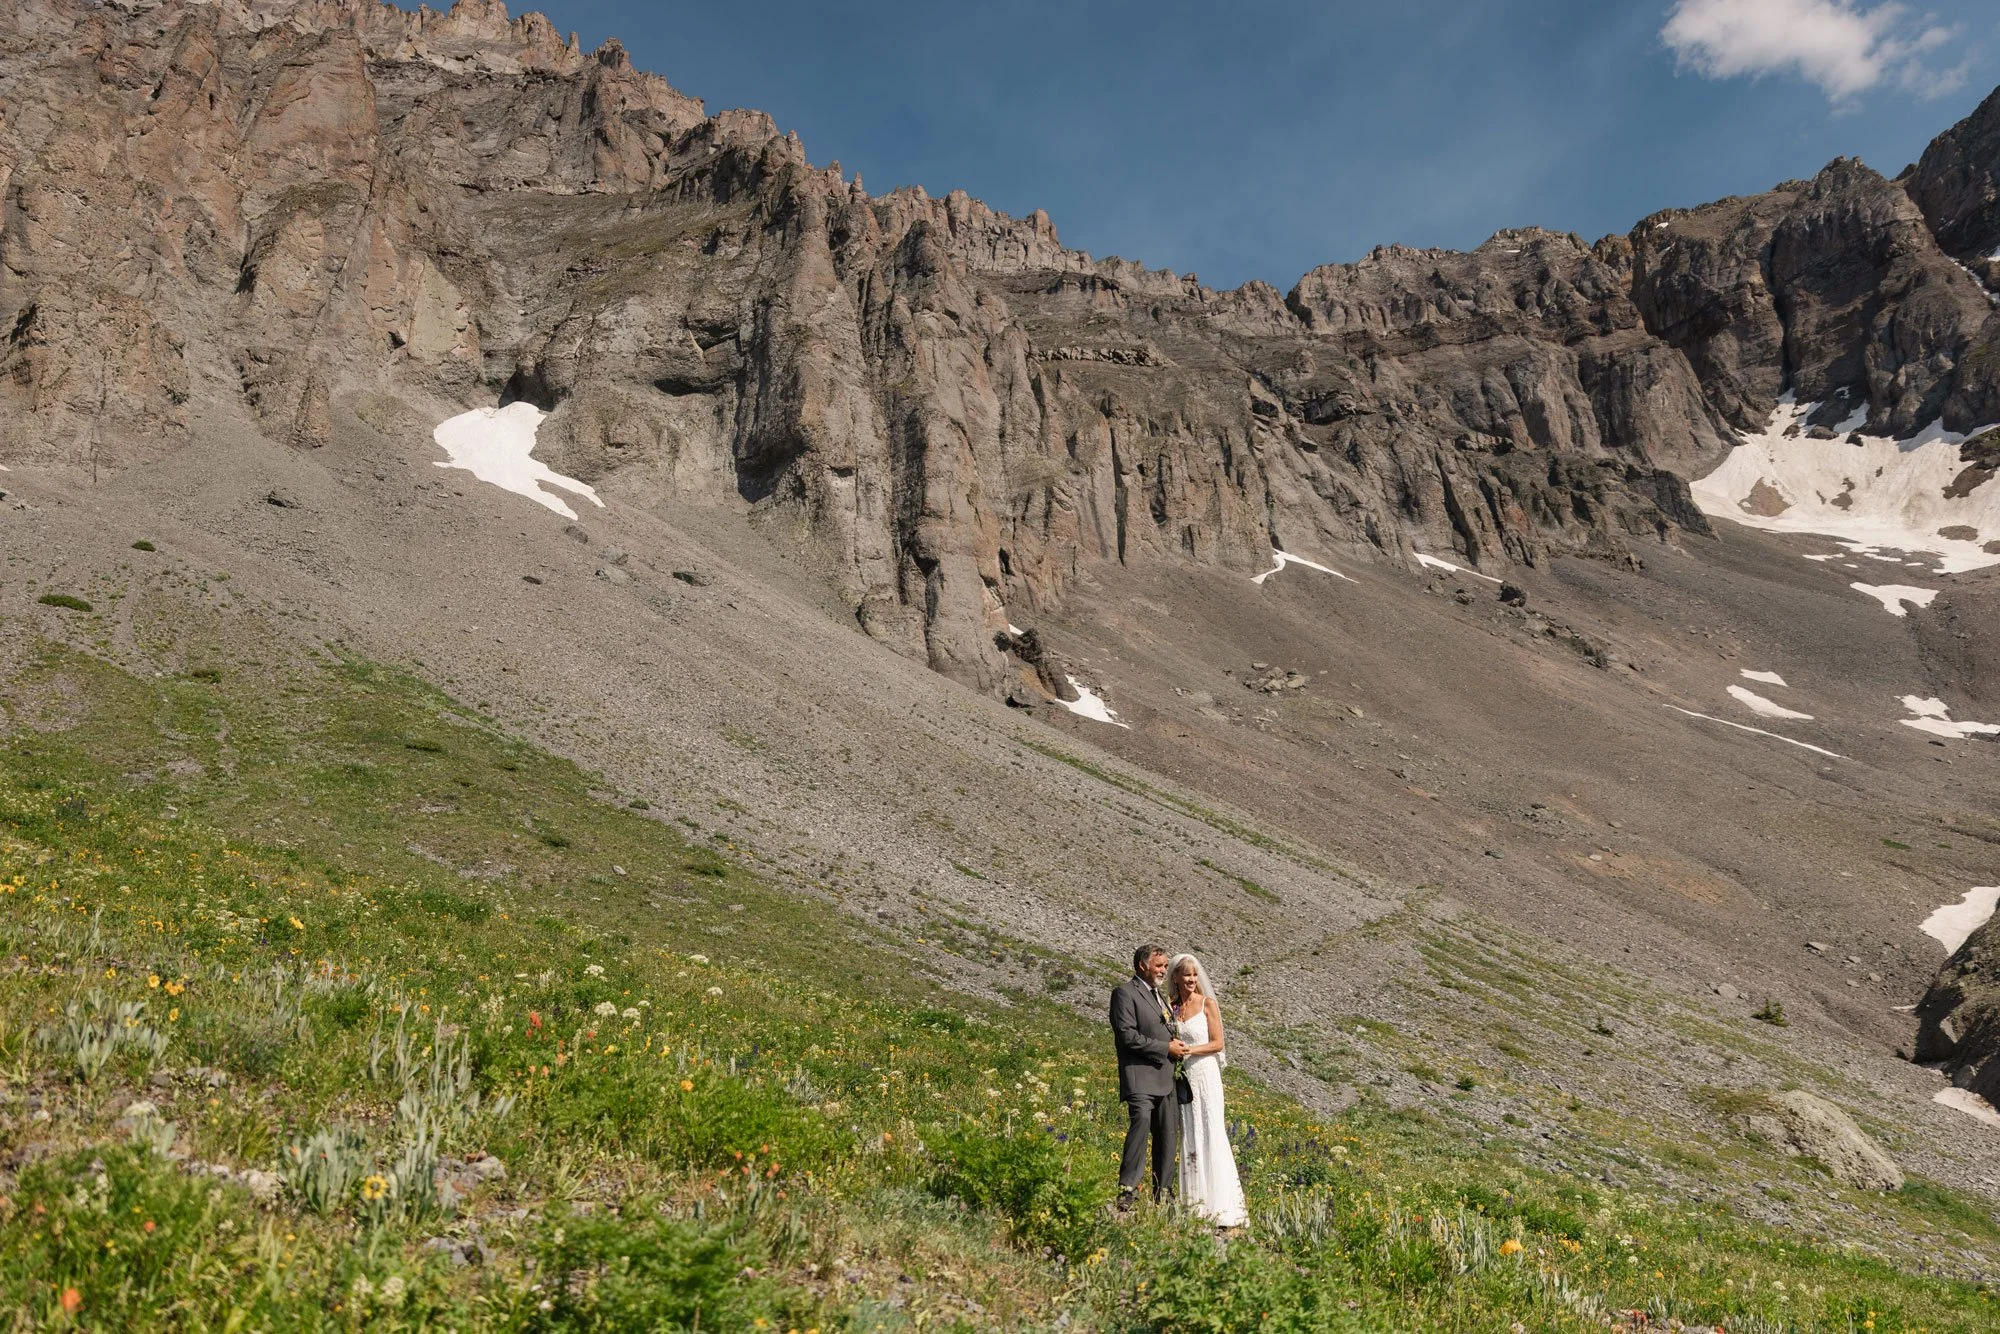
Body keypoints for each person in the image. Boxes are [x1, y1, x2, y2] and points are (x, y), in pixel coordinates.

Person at [1169, 953, 1247, 1228]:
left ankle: (1223, 1207)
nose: (1191, 980)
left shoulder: (1207, 1004)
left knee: (1211, 1131)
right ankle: (1195, 1205)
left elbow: (1217, 1043)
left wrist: (1190, 1050)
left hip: (1206, 1074)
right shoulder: (1173, 1007)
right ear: (1176, 977)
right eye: (1186, 975)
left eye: (1194, 975)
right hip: (1185, 1078)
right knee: (1190, 1132)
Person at [1109, 942, 1188, 1210]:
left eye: (1166, 966)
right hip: (1140, 1077)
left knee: (1168, 1135)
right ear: (1143, 965)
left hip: (1166, 1079)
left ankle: (1163, 1192)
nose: (1164, 970)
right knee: (1140, 1126)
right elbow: (1127, 1036)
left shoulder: (1159, 996)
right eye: (1159, 965)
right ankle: (1127, 1190)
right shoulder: (1124, 993)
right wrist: (1165, 1048)